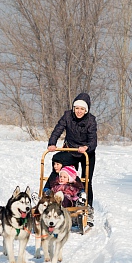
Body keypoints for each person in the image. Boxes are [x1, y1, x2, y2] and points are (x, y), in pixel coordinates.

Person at [48, 92, 97, 224]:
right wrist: (52, 143)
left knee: (86, 180)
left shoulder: (91, 120)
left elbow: (93, 140)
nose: (79, 111)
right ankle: (50, 192)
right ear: (73, 108)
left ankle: (88, 208)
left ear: (86, 110)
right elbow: (58, 129)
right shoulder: (67, 115)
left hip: (87, 153)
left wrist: (87, 147)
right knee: (58, 163)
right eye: (77, 108)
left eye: (82, 109)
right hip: (71, 149)